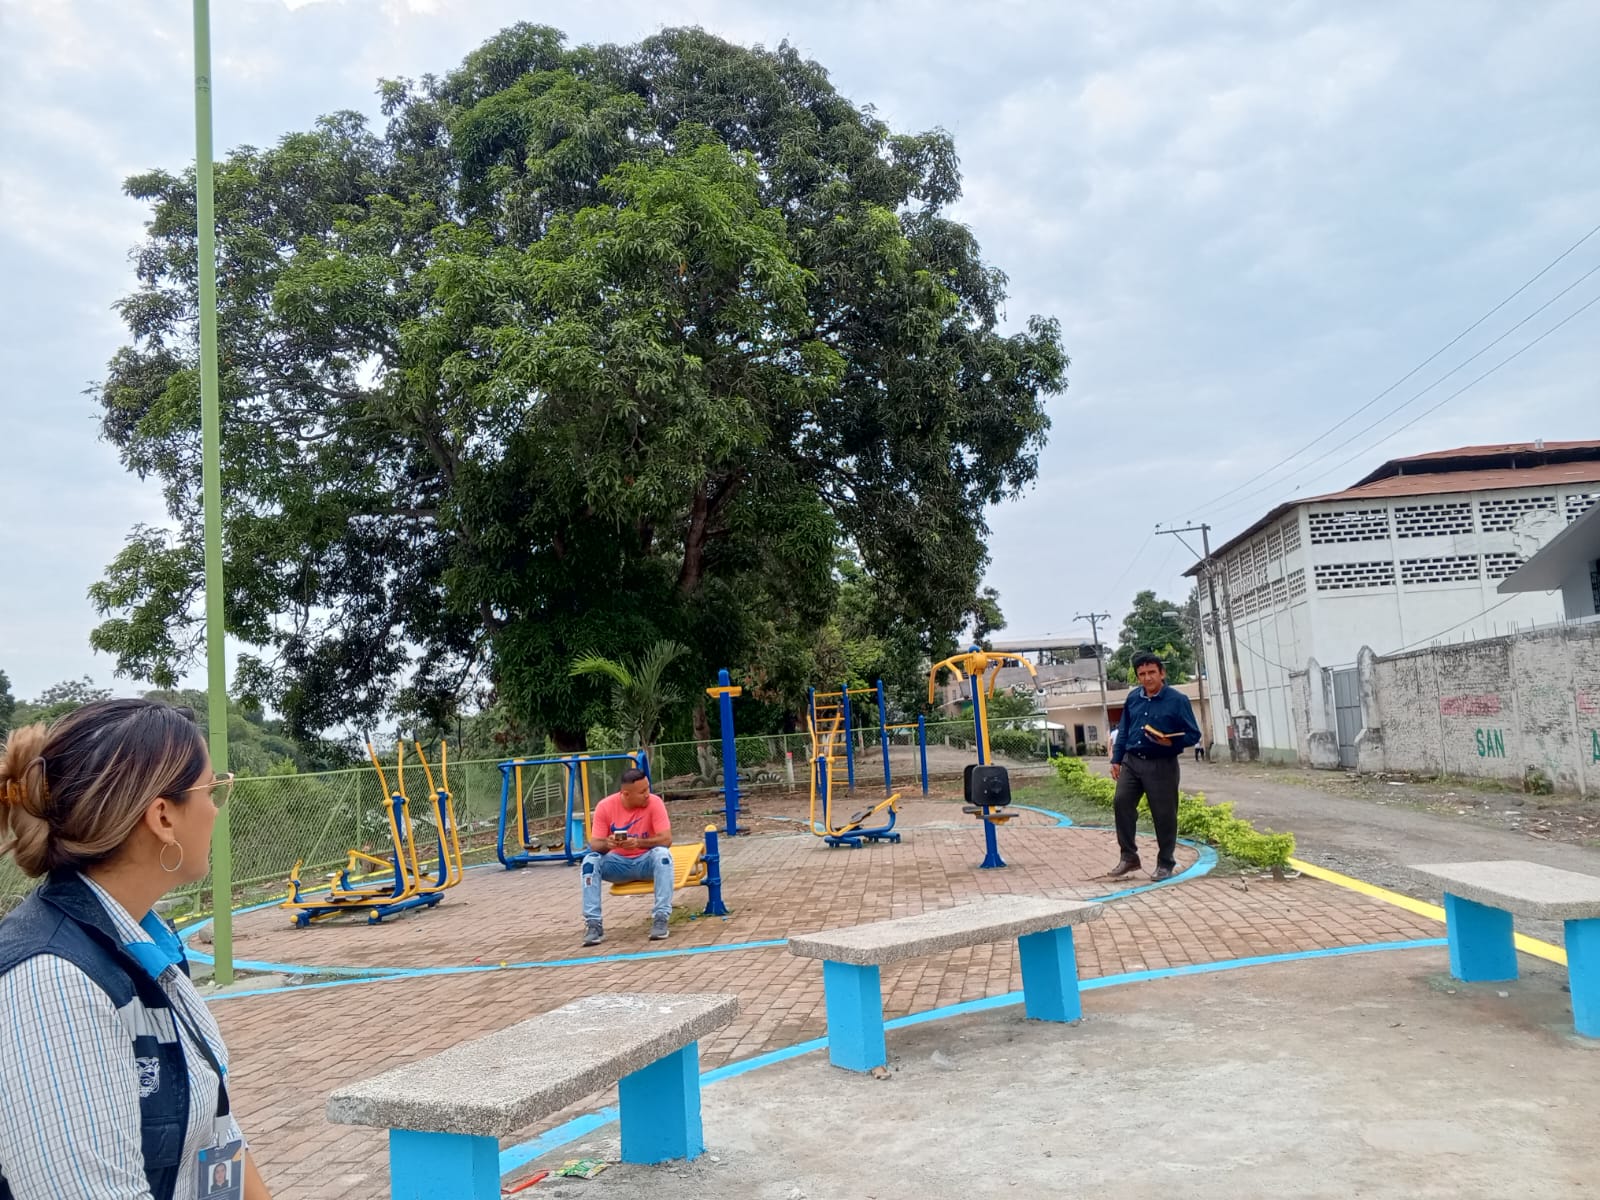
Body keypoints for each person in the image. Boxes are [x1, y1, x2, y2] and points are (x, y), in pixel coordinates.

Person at [0, 698, 272, 1200]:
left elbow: (216, 1131)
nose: (216, 808)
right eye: (211, 790)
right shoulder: (51, 983)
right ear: (163, 817)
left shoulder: (144, 942)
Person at [1107, 653, 1202, 881]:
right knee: (1121, 802)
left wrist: (1171, 742)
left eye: (1152, 672)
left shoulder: (1177, 700)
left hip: (1162, 764)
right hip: (1132, 761)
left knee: (1164, 814)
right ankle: (1129, 857)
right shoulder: (1133, 698)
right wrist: (1116, 759)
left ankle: (1165, 862)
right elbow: (1124, 731)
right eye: (1142, 674)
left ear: (1162, 673)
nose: (1147, 678)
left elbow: (1193, 734)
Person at [580, 767, 674, 947]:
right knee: (590, 861)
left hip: (646, 862)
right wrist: (608, 843)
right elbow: (595, 844)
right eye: (642, 792)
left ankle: (661, 918)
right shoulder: (605, 806)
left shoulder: (655, 803)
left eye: (648, 789)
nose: (647, 795)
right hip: (618, 864)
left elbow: (666, 839)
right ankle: (593, 924)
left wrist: (638, 843)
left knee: (663, 855)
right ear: (626, 794)